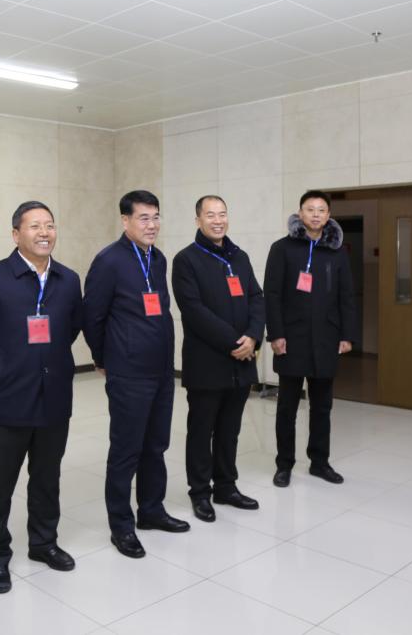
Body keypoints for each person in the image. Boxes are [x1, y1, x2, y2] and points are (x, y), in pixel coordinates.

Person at [0, 201, 83, 594]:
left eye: (50, 225)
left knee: (47, 477)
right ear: (16, 234)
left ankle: (44, 543)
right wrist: (2, 365)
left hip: (54, 397)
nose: (44, 232)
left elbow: (71, 328)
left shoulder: (68, 280)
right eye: (34, 226)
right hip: (7, 398)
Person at [83, 189, 189, 558]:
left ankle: (151, 510)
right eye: (143, 218)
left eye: (156, 217)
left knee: (156, 445)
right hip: (128, 371)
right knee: (126, 449)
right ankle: (121, 526)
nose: (152, 225)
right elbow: (92, 316)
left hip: (161, 369)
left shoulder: (157, 258)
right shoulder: (109, 261)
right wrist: (104, 357)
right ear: (125, 220)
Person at [172, 195, 265, 522]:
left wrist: (253, 336)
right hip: (207, 362)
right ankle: (200, 492)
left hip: (241, 361)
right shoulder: (186, 260)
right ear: (198, 220)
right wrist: (235, 342)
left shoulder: (239, 257)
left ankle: (226, 486)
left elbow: (256, 297)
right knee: (202, 430)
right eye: (210, 215)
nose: (217, 220)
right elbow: (193, 310)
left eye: (222, 214)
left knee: (230, 429)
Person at [264, 190, 357, 488]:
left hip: (326, 339)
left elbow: (347, 296)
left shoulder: (337, 252)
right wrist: (276, 334)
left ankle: (319, 462)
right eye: (310, 209)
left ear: (328, 215)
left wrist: (347, 335)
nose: (316, 214)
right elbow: (272, 295)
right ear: (300, 213)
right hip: (290, 339)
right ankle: (284, 464)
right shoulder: (282, 249)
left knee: (322, 407)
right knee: (287, 408)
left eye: (321, 210)